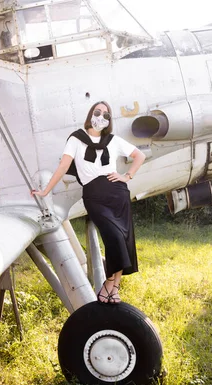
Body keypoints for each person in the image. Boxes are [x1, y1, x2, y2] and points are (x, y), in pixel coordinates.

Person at [31, 101, 146, 304]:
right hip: (94, 195)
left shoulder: (113, 140)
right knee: (115, 237)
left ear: (109, 120)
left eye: (106, 115)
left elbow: (140, 155)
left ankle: (113, 289)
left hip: (117, 193)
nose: (101, 116)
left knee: (124, 239)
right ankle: (108, 283)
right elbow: (63, 165)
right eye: (97, 112)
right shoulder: (77, 139)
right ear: (90, 114)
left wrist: (127, 176)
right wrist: (45, 190)